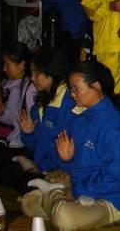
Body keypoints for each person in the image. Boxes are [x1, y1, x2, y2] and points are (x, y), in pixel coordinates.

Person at [21, 60, 120, 230]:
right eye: (71, 89)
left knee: (63, 217)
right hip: (80, 189)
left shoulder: (115, 128)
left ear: (96, 86)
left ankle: (54, 195)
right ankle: (57, 196)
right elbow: (75, 167)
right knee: (28, 203)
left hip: (113, 200)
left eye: (76, 89)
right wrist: (67, 159)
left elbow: (118, 178)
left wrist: (75, 191)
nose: (72, 94)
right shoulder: (79, 120)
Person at [15, 49, 75, 191]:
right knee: (6, 170)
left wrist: (41, 167)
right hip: (42, 165)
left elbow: (66, 150)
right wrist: (29, 133)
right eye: (32, 73)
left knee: (20, 181)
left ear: (52, 72)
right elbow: (34, 145)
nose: (32, 78)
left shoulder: (69, 103)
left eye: (37, 73)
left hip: (60, 169)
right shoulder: (41, 102)